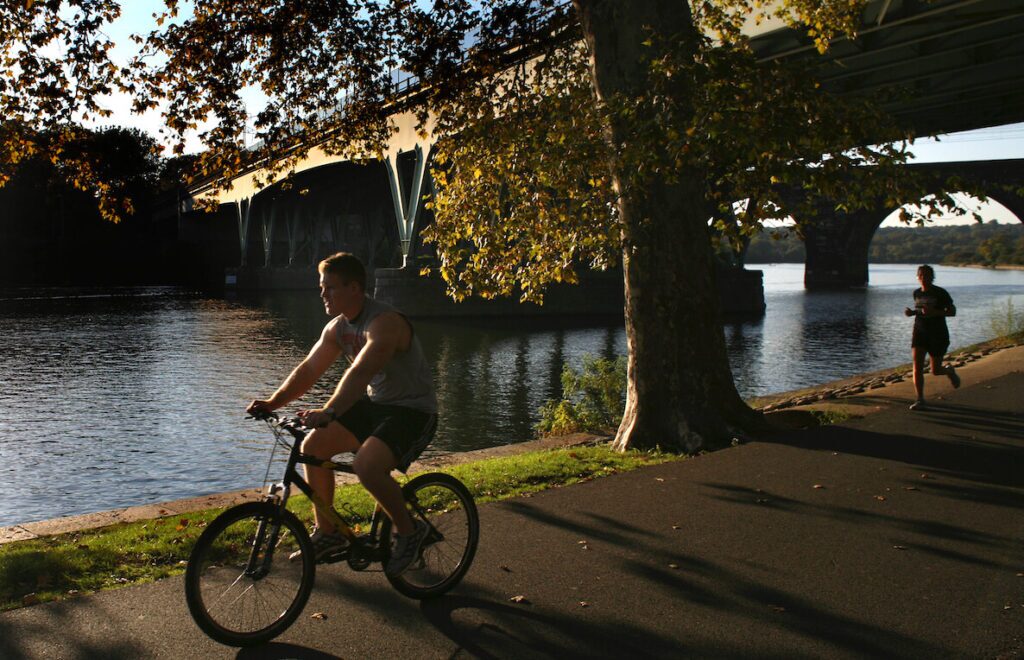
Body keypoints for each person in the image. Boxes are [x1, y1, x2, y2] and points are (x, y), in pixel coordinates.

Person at [247, 252, 438, 576]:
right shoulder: (337, 327)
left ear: (354, 288)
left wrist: (330, 410)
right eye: (322, 287)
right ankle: (329, 533)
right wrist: (272, 403)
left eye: (330, 288)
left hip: (411, 411)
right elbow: (309, 369)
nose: (323, 294)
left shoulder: (385, 323)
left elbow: (361, 371)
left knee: (366, 465)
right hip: (375, 405)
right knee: (312, 447)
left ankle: (410, 531)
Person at [903, 264, 960, 410]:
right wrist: (912, 313)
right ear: (917, 277)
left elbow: (952, 312)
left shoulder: (940, 293)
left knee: (935, 370)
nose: (923, 278)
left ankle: (948, 371)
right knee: (917, 366)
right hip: (920, 332)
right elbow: (921, 311)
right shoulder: (916, 293)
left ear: (932, 277)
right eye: (921, 275)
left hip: (938, 333)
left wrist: (935, 312)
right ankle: (920, 399)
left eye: (927, 275)